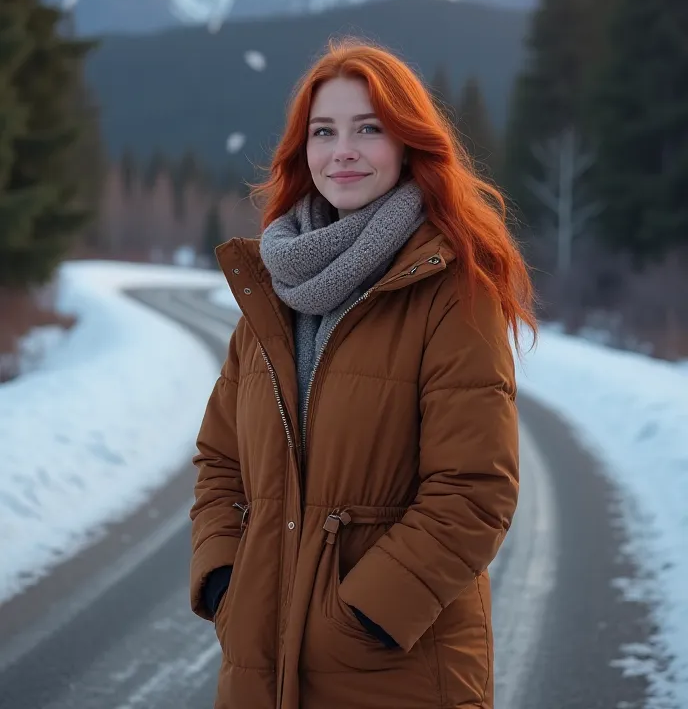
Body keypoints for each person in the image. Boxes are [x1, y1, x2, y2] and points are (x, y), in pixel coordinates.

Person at [189, 39, 535, 709]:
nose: (342, 150)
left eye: (368, 129)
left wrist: (366, 613)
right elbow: (220, 459)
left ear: (408, 144)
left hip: (396, 665)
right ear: (303, 150)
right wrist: (224, 577)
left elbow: (474, 490)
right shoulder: (269, 293)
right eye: (325, 131)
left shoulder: (450, 289)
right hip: (259, 659)